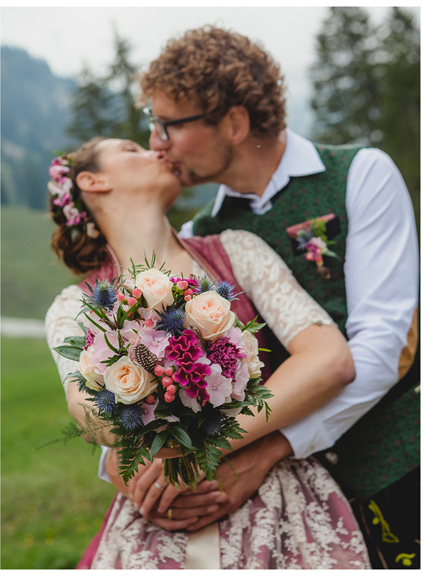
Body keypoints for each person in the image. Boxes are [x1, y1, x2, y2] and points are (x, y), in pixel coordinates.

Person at [136, 26, 418, 569]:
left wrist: (267, 450)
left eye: (169, 124)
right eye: (154, 124)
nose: (156, 144)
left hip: (403, 470)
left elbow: (385, 348)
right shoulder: (202, 233)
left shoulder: (360, 175)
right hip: (297, 508)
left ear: (235, 122)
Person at [45, 137, 369, 568]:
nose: (155, 149)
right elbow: (85, 409)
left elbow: (329, 360)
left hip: (272, 495)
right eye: (132, 149)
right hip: (162, 511)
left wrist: (205, 448)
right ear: (92, 181)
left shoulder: (236, 251)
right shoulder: (75, 306)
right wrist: (146, 460)